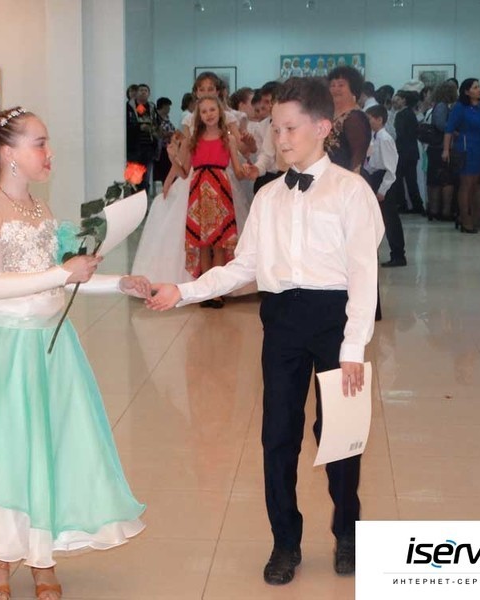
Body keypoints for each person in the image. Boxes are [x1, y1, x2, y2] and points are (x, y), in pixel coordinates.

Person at [147, 77, 384, 585]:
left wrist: (353, 347)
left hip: (335, 320)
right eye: (275, 128)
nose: (280, 138)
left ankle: (348, 532)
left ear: (322, 128)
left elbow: (364, 274)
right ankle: (285, 542)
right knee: (277, 435)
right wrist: (182, 290)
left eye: (291, 128)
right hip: (280, 320)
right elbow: (243, 266)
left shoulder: (351, 192)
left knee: (339, 435)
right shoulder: (269, 195)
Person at [0, 105, 150, 600]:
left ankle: (40, 550)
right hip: (5, 346)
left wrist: (116, 283)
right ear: (8, 153)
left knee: (47, 444)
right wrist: (64, 271)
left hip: (49, 345)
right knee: (5, 446)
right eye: (40, 143)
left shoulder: (41, 210)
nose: (50, 153)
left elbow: (60, 282)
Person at [176, 96, 243, 306]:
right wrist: (172, 157)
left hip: (220, 192)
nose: (209, 114)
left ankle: (217, 291)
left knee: (220, 244)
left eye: (212, 109)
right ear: (199, 116)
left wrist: (250, 170)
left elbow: (238, 171)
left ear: (220, 111)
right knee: (203, 244)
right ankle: (205, 291)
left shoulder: (228, 139)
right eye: (204, 111)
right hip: (198, 193)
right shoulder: (193, 140)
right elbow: (184, 172)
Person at [442, 78, 480, 233]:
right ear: (467, 91)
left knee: (479, 184)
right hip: (466, 148)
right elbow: (449, 129)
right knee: (467, 184)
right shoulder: (460, 107)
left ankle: (477, 216)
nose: (479, 90)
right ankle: (465, 219)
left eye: (479, 87)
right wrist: (446, 150)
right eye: (475, 87)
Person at [364, 105, 405, 266]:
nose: (368, 122)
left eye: (370, 119)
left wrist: (382, 190)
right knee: (382, 218)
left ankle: (398, 254)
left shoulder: (385, 139)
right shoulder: (375, 138)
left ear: (379, 119)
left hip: (385, 180)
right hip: (377, 177)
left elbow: (390, 168)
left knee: (390, 219)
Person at [326, 66, 372, 172]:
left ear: (353, 89)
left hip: (345, 177)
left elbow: (358, 157)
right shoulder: (329, 115)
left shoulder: (355, 118)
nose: (335, 89)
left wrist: (350, 180)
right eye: (332, 85)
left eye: (341, 85)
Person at [425, 82, 457, 221]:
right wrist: (453, 130)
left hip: (435, 147)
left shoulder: (438, 106)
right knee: (445, 180)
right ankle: (444, 211)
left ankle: (434, 209)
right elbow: (441, 124)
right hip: (441, 147)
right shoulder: (443, 106)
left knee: (434, 180)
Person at [391, 91, 425, 214]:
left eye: (398, 100)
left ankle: (402, 204)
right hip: (412, 151)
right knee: (411, 180)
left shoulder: (400, 115)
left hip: (402, 151)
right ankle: (418, 205)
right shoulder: (411, 113)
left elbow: (399, 134)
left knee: (398, 179)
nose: (396, 103)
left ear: (404, 100)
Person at [152, 96, 176, 187]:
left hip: (168, 148)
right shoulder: (155, 118)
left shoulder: (167, 118)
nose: (169, 109)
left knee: (168, 172)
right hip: (159, 149)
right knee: (162, 173)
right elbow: (157, 133)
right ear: (163, 106)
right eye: (168, 106)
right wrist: (167, 134)